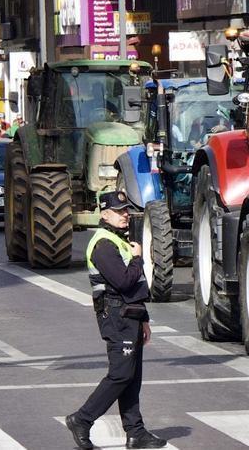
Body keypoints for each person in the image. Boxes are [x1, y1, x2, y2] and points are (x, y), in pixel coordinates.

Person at [65, 191, 166, 450]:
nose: (125, 214)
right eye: (119, 210)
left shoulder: (118, 241)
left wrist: (143, 318)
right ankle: (82, 419)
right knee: (121, 374)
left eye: (126, 210)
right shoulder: (103, 244)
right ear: (104, 213)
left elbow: (134, 288)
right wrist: (137, 258)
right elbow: (122, 282)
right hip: (116, 315)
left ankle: (136, 433)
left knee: (132, 377)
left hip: (129, 315)